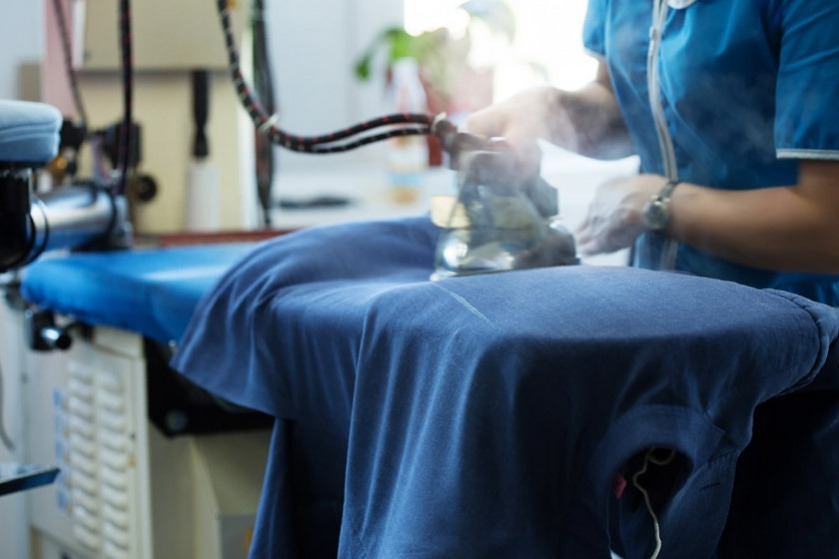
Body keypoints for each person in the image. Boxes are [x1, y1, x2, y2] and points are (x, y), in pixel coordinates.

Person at [465, 0, 839, 305]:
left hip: (799, 329)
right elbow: (633, 105)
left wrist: (661, 205)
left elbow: (830, 228)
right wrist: (548, 110)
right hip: (664, 309)